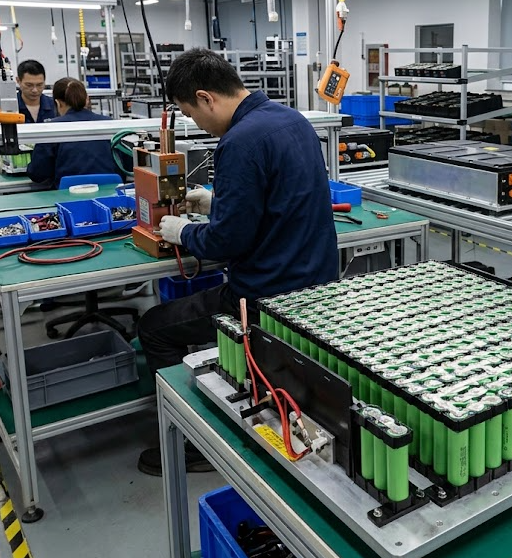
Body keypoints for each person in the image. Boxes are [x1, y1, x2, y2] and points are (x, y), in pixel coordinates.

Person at [136, 48, 338, 476]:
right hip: (319, 285)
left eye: (190, 113)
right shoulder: (293, 120)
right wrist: (217, 203)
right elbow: (278, 202)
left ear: (206, 98)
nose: (195, 123)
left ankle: (193, 439)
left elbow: (227, 242)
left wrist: (183, 232)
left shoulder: (239, 141)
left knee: (154, 327)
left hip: (265, 297)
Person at [26, 78, 129, 186]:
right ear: (87, 99)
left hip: (69, 194)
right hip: (112, 192)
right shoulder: (110, 124)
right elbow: (128, 164)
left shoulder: (52, 128)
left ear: (57, 103)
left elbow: (37, 174)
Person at [15, 59, 56, 123]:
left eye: (39, 85)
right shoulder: (10, 108)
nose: (35, 90)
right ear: (18, 81)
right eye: (29, 85)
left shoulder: (55, 106)